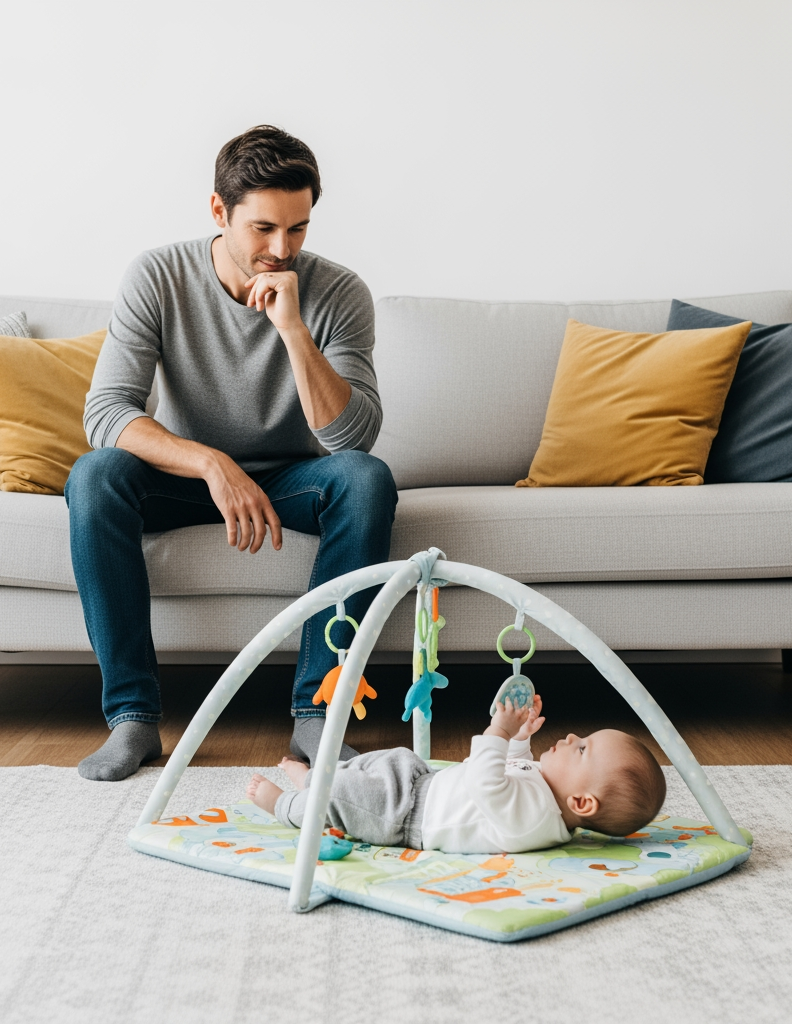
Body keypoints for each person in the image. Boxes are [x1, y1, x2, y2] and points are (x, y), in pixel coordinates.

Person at [66, 126, 397, 781]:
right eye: (263, 229)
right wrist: (213, 464)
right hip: (189, 476)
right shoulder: (157, 275)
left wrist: (294, 330)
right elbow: (107, 413)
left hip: (293, 478)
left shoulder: (339, 293)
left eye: (298, 229)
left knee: (365, 480)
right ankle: (132, 719)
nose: (282, 249)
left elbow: (351, 437)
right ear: (219, 212)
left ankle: (316, 717)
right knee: (95, 475)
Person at [246, 694, 668, 853]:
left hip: (406, 818)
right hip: (421, 781)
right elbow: (511, 771)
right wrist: (520, 739)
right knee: (371, 763)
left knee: (346, 793)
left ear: (582, 802)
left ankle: (286, 803)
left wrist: (498, 732)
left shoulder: (538, 820)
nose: (573, 735)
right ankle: (317, 781)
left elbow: (489, 785)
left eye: (581, 748)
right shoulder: (547, 790)